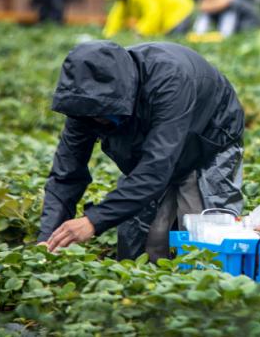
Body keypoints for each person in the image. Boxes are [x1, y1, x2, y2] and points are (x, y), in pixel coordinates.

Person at [37, 40, 245, 262]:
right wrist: (48, 237)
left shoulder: (169, 80)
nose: (94, 120)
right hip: (155, 145)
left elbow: (155, 168)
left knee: (202, 238)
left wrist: (92, 221)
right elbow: (66, 175)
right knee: (147, 242)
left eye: (101, 113)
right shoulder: (84, 107)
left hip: (208, 137)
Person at [192, 0, 260, 37]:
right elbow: (202, 24)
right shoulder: (213, 9)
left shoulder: (232, 5)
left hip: (250, 27)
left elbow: (226, 32)